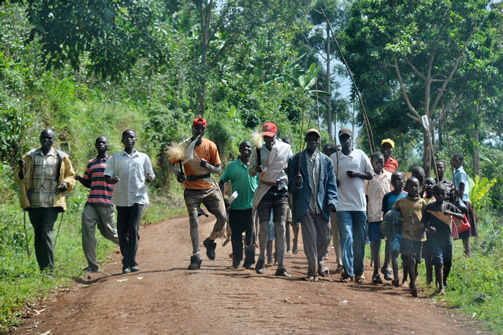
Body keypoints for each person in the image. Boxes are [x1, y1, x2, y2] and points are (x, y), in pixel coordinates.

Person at [15, 128, 76, 277]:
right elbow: (19, 179)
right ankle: (43, 268)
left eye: (49, 138)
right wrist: (21, 170)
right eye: (44, 138)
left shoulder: (61, 157)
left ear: (54, 140)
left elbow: (71, 175)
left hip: (52, 203)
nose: (46, 140)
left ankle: (49, 271)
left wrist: (66, 184)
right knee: (38, 234)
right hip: (33, 203)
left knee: (46, 231)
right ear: (40, 139)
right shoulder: (30, 156)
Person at [169, 117, 227, 270]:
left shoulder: (211, 145)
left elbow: (218, 169)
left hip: (209, 186)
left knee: (222, 217)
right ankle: (196, 255)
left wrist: (207, 166)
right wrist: (178, 174)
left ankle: (210, 240)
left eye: (202, 129)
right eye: (197, 128)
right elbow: (171, 163)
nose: (199, 131)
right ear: (192, 129)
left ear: (205, 130)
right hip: (191, 188)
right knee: (194, 221)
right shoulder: (184, 146)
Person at [288, 129, 338, 281]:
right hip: (305, 206)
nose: (313, 141)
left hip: (322, 205)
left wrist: (332, 201)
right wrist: (296, 183)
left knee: (325, 236)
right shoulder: (296, 160)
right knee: (310, 239)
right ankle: (312, 270)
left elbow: (331, 184)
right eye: (309, 139)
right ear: (305, 141)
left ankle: (320, 260)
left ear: (319, 141)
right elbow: (290, 187)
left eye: (315, 139)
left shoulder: (327, 161)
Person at [104, 129, 155, 274]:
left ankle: (130, 261)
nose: (129, 140)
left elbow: (150, 174)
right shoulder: (115, 158)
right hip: (121, 198)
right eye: (126, 137)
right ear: (122, 140)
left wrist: (150, 178)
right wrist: (111, 180)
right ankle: (127, 259)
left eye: (131, 137)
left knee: (133, 228)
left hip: (138, 197)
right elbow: (106, 176)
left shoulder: (143, 157)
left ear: (135, 140)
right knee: (122, 231)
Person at [330, 128, 373, 283]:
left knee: (360, 239)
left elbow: (371, 175)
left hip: (360, 205)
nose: (345, 140)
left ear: (352, 139)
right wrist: (334, 182)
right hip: (342, 206)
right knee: (346, 238)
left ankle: (359, 271)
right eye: (342, 138)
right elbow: (329, 179)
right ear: (339, 140)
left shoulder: (360, 155)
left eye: (347, 137)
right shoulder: (334, 158)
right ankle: (348, 272)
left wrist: (357, 174)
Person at [250, 122, 292, 277]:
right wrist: (256, 169)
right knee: (265, 228)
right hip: (264, 191)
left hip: (280, 191)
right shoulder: (258, 150)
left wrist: (290, 171)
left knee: (281, 226)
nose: (267, 140)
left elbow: (291, 165)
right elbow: (251, 172)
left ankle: (280, 265)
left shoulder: (285, 149)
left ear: (275, 135)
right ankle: (261, 257)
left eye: (270, 137)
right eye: (265, 137)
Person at [75, 136, 119, 273]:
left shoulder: (115, 162)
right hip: (92, 203)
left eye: (103, 142)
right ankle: (92, 265)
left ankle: (128, 247)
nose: (101, 144)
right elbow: (89, 183)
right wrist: (79, 178)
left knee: (110, 233)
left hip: (107, 203)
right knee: (87, 233)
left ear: (108, 145)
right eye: (98, 142)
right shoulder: (91, 163)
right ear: (95, 145)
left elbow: (120, 180)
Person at [219, 141, 258, 269]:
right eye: (243, 147)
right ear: (239, 150)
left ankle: (250, 261)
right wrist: (222, 198)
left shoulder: (256, 166)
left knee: (251, 235)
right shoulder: (232, 166)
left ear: (251, 150)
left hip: (251, 208)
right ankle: (237, 260)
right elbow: (221, 181)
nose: (246, 149)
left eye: (248, 147)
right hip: (235, 208)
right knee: (235, 235)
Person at [422, 183, 463, 295]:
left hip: (447, 240)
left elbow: (462, 216)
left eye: (442, 193)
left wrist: (451, 213)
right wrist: (429, 227)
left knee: (448, 263)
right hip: (434, 241)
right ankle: (441, 287)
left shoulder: (449, 206)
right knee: (438, 262)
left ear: (446, 194)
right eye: (437, 193)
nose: (440, 195)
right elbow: (424, 221)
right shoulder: (429, 207)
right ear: (434, 194)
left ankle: (443, 280)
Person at [394, 177, 427, 297]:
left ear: (419, 187)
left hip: (419, 236)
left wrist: (425, 225)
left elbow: (426, 218)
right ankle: (412, 284)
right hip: (406, 234)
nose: (413, 188)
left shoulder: (422, 202)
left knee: (416, 260)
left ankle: (411, 278)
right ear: (406, 188)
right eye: (411, 186)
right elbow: (394, 215)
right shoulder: (401, 202)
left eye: (416, 186)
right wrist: (398, 219)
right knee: (410, 258)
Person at [365, 152, 391, 284]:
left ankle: (387, 266)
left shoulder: (389, 176)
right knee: (375, 244)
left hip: (387, 217)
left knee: (389, 242)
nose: (379, 164)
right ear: (372, 163)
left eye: (381, 162)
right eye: (377, 162)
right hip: (373, 215)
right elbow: (365, 196)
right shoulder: (368, 178)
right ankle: (376, 271)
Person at [381, 171, 407, 287]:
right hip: (393, 230)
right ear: (391, 182)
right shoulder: (387, 197)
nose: (397, 182)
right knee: (395, 252)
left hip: (406, 230)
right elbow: (386, 214)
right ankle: (396, 277)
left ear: (404, 181)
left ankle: (406, 278)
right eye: (394, 180)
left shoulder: (407, 196)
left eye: (399, 179)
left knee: (406, 255)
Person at [451, 153, 477, 256]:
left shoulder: (461, 172)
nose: (453, 162)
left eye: (456, 160)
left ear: (461, 161)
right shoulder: (455, 172)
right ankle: (466, 252)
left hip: (463, 201)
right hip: (459, 201)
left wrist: (459, 203)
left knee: (464, 226)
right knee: (461, 227)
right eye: (453, 160)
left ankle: (467, 252)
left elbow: (461, 188)